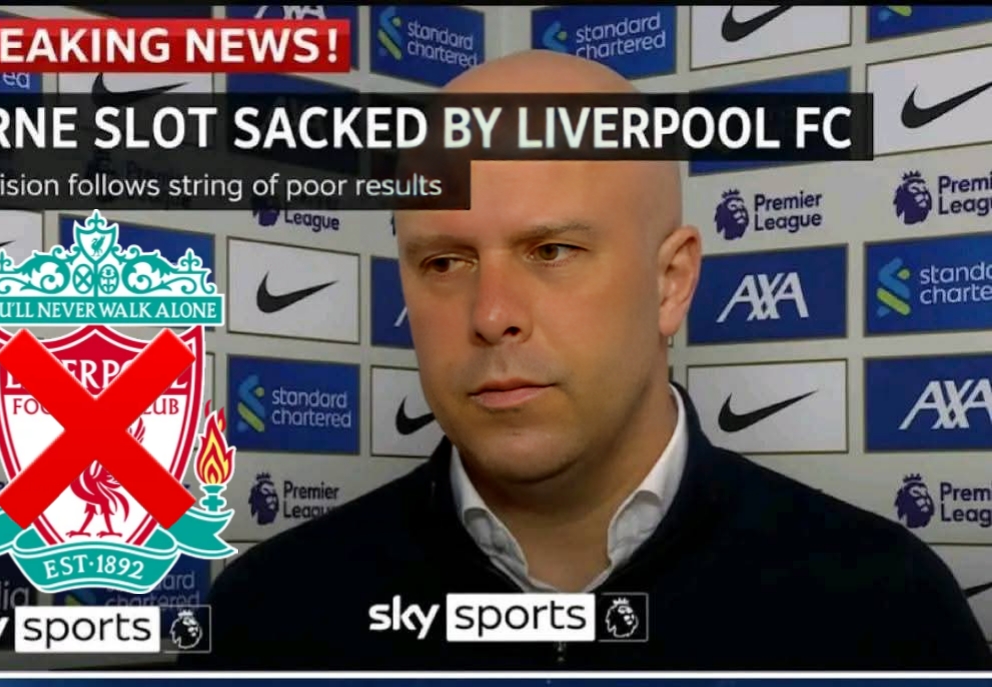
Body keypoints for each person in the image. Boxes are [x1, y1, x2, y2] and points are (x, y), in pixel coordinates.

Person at [179, 51, 990, 670]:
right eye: (445, 262)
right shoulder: (269, 619)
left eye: (552, 250)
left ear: (670, 283)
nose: (491, 314)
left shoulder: (882, 608)